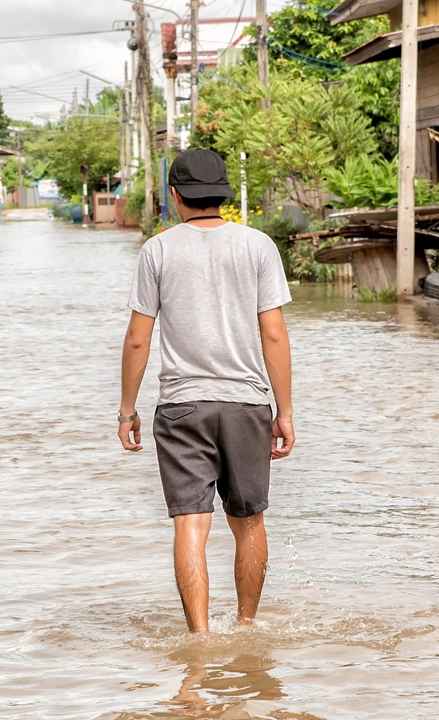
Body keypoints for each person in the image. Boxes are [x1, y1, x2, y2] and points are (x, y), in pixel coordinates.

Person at [117, 148, 295, 634]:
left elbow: (138, 336)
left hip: (181, 408)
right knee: (250, 522)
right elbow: (274, 334)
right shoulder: (258, 246)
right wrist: (285, 411)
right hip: (246, 403)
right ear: (225, 194)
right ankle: (246, 626)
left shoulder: (157, 250)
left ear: (175, 195)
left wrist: (126, 410)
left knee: (190, 527)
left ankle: (199, 639)